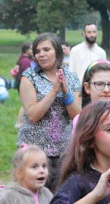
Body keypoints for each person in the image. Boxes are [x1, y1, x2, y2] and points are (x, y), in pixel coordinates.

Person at [17, 33, 81, 193]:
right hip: (34, 152)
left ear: (57, 52)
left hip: (63, 151)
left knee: (60, 198)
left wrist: (66, 93)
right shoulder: (29, 78)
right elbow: (32, 115)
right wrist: (53, 91)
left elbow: (77, 116)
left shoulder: (71, 78)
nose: (41, 54)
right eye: (37, 51)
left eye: (46, 49)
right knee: (34, 198)